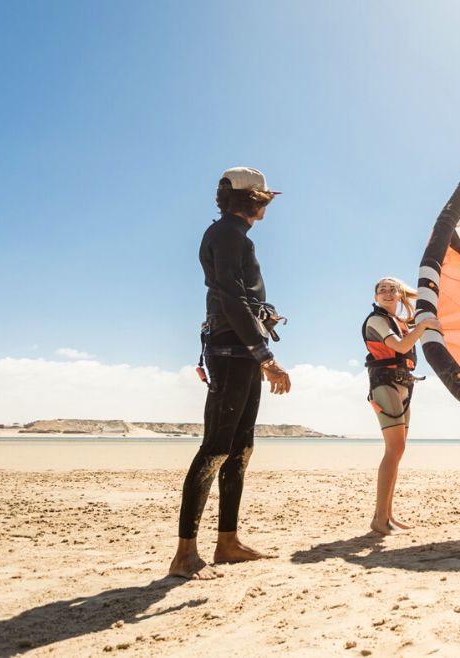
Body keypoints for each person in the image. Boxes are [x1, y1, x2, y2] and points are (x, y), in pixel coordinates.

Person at [168, 167, 292, 580]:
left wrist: (265, 315)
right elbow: (230, 295)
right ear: (251, 200)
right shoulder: (225, 233)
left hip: (240, 348)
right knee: (216, 448)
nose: (267, 205)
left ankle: (228, 542)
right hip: (230, 349)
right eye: (263, 198)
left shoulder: (237, 235)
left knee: (241, 450)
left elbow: (242, 297)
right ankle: (185, 553)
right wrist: (265, 355)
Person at [362, 277, 441, 535]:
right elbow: (400, 346)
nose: (387, 293)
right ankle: (379, 519)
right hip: (385, 384)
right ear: (375, 297)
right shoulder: (376, 320)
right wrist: (424, 326)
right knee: (394, 448)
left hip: (405, 384)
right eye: (381, 290)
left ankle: (387, 516)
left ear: (399, 296)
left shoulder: (401, 322)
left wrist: (426, 316)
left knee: (399, 449)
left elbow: (420, 315)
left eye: (392, 289)